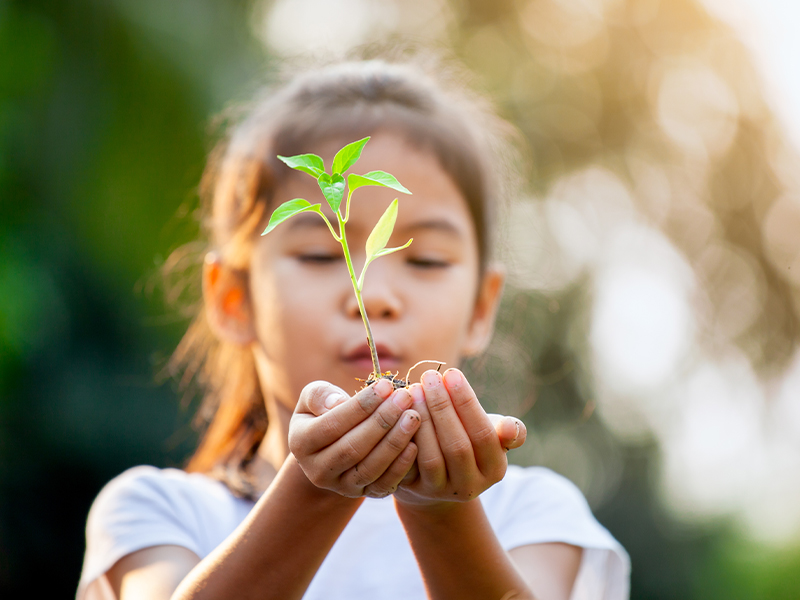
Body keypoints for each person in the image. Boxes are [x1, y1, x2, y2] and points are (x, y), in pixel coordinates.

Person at [77, 58, 630, 600]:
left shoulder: (531, 514)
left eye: (427, 260)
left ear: (482, 308)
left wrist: (441, 511)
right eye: (321, 254)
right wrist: (314, 489)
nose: (372, 295)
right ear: (233, 298)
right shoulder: (160, 515)